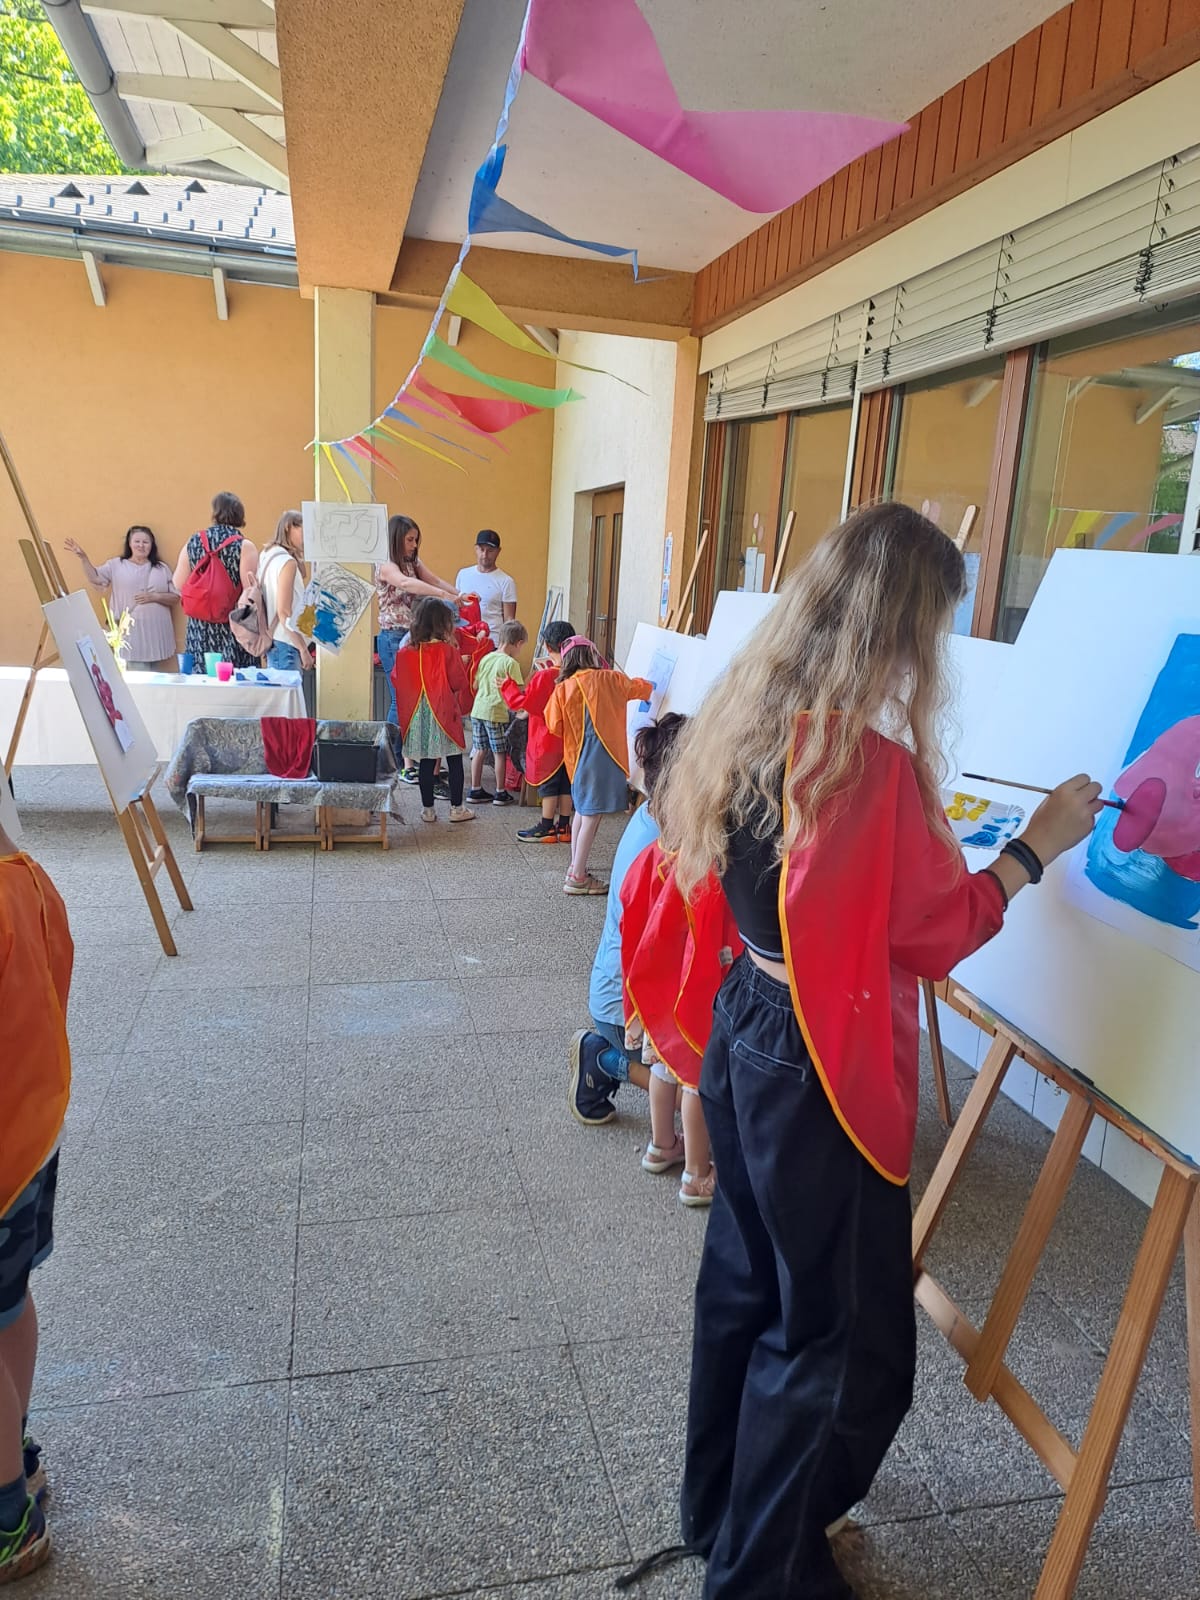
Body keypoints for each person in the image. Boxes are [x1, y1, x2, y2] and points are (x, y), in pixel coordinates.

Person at [622, 503, 1102, 1599]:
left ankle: (721, 1517)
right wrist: (1034, 848)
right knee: (829, 1335)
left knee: (744, 1285)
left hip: (747, 1027)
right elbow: (935, 933)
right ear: (902, 629)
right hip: (818, 1063)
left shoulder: (744, 717)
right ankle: (760, 1575)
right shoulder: (863, 767)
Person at [0, 816, 73, 1583]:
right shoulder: (29, 879)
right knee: (10, 1302)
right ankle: (14, 1452)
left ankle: (7, 1520)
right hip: (32, 1135)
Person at [568, 713, 687, 1128]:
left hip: (622, 997)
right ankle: (605, 1059)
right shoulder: (657, 850)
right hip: (624, 1013)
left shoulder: (654, 816)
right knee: (704, 1105)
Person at [543, 638, 652, 896]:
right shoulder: (610, 678)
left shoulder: (563, 688)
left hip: (577, 756)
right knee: (592, 815)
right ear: (591, 655)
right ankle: (577, 876)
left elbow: (553, 724)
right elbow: (642, 689)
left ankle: (575, 867)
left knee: (583, 811)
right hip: (604, 756)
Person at [391, 598, 474, 824]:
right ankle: (457, 809)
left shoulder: (406, 652)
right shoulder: (447, 651)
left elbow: (397, 680)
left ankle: (428, 810)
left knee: (427, 762)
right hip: (444, 711)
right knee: (454, 761)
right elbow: (458, 682)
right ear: (443, 623)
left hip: (418, 713)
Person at [375, 515, 462, 728]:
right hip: (393, 636)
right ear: (396, 538)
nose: (414, 545)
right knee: (400, 699)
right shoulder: (386, 565)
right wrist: (444, 595)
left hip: (413, 635)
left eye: (416, 540)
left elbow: (434, 580)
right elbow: (406, 583)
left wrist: (459, 595)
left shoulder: (413, 562)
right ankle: (394, 748)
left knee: (415, 697)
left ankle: (410, 747)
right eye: (410, 540)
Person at [63, 526, 179, 671]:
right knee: (136, 676)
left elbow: (175, 597)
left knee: (155, 678)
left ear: (152, 545)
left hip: (156, 635)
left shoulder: (161, 568)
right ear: (129, 544)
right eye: (137, 541)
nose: (141, 545)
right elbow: (96, 578)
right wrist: (83, 558)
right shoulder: (116, 565)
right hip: (131, 636)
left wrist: (155, 596)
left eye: (145, 542)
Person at [503, 619, 576, 844]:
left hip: (547, 738)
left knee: (549, 784)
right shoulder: (578, 673)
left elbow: (524, 704)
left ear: (546, 646)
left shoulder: (544, 676)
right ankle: (564, 826)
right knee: (566, 782)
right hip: (571, 738)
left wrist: (507, 686)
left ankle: (546, 826)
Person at [173, 491, 259, 671]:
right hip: (232, 624)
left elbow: (178, 583)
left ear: (215, 513)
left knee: (201, 678)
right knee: (232, 679)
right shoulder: (244, 546)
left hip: (199, 626)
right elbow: (250, 591)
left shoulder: (193, 542)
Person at [467, 620, 527, 807]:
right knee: (499, 752)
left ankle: (475, 789)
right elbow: (518, 691)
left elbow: (475, 684)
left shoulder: (487, 657)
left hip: (478, 709)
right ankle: (500, 792)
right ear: (518, 643)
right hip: (495, 711)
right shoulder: (511, 663)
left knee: (479, 749)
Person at [259, 511, 313, 678]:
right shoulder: (287, 562)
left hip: (274, 640)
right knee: (287, 694)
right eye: (304, 530)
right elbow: (284, 612)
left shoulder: (267, 555)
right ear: (289, 527)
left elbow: (302, 575)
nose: (307, 538)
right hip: (287, 643)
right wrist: (303, 649)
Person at [455, 530, 516, 636]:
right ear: (476, 549)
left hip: (493, 640)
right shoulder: (463, 574)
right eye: (482, 549)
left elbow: (509, 621)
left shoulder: (506, 581)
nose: (485, 555)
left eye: (490, 550)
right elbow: (457, 606)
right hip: (465, 638)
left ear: (498, 551)